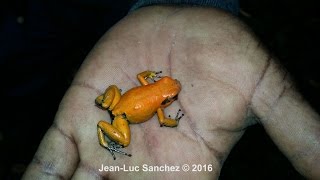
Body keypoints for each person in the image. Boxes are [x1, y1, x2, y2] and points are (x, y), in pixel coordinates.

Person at [22, 0, 320, 179]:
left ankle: (100, 105)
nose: (171, 91)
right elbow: (162, 115)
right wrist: (170, 116)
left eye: (169, 93)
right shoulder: (160, 101)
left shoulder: (152, 87)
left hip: (119, 102)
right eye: (169, 93)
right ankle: (105, 133)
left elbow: (142, 78)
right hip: (121, 117)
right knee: (121, 140)